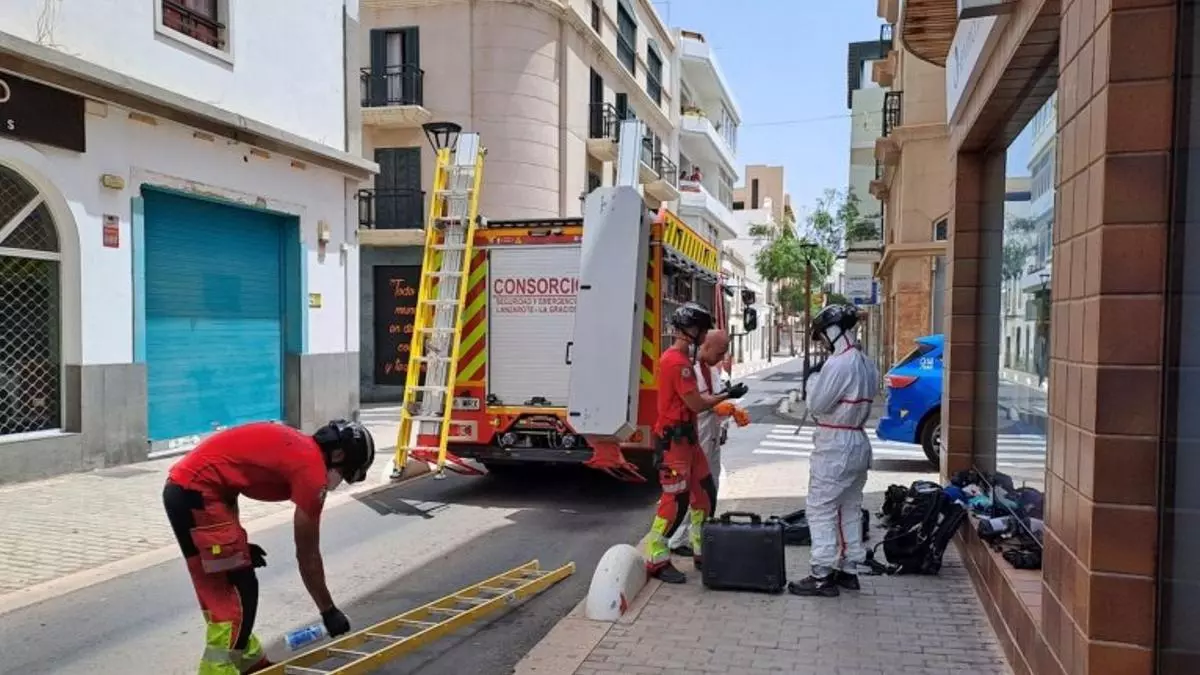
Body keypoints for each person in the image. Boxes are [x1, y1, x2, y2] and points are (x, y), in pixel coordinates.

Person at [163, 419, 375, 674]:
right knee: (239, 591)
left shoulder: (302, 448)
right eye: (347, 472)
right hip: (198, 494)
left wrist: (238, 547)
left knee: (220, 586)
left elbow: (230, 473)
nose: (340, 481)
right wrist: (328, 610)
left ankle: (249, 664)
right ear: (339, 455)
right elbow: (308, 554)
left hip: (193, 492)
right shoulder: (313, 471)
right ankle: (216, 668)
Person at [645, 303, 748, 583]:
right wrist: (727, 395)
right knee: (675, 502)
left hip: (687, 441)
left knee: (704, 494)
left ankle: (702, 551)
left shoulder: (684, 360)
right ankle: (656, 557)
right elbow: (697, 403)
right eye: (703, 330)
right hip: (674, 442)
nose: (705, 336)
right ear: (693, 331)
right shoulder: (677, 363)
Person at [789, 304, 879, 598]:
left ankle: (821, 574)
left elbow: (817, 406)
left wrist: (813, 381)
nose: (823, 342)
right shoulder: (866, 362)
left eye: (823, 335)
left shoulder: (839, 363)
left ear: (832, 330)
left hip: (835, 445)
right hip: (858, 441)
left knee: (821, 508)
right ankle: (849, 568)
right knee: (849, 507)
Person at [668, 328, 749, 557]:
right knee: (694, 488)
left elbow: (714, 398)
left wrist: (730, 411)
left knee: (709, 487)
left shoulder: (710, 370)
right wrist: (721, 405)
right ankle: (677, 538)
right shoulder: (688, 368)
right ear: (707, 346)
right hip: (696, 434)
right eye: (721, 352)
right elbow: (697, 403)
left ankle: (698, 538)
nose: (722, 357)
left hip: (710, 435)